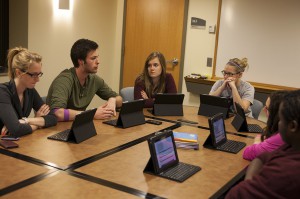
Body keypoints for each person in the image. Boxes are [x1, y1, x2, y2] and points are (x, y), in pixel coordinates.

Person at [226, 89, 300, 199]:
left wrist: (249, 182)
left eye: (281, 119)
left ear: (292, 126)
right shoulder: (292, 147)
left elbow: (236, 194)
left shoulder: (286, 173)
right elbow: (266, 155)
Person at [47, 39, 122, 121]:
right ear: (81, 61)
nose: (98, 62)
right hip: (56, 129)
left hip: (79, 125)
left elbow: (120, 99)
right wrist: (91, 114)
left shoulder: (94, 79)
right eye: (93, 58)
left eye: (97, 57)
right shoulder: (64, 80)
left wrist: (113, 100)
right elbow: (58, 113)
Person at [0, 47, 57, 137]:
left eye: (39, 74)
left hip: (19, 142)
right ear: (18, 73)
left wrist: (27, 121)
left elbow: (53, 118)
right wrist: (38, 122)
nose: (38, 79)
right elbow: (16, 129)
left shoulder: (30, 91)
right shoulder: (2, 92)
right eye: (33, 75)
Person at [243, 91, 287, 160]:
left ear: (275, 112)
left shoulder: (282, 135)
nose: (264, 110)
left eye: (267, 108)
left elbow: (248, 153)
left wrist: (257, 142)